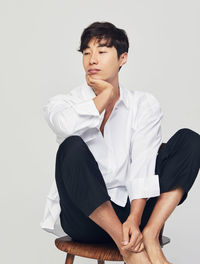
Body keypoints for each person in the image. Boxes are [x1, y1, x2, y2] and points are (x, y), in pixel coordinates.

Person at [40, 21, 200, 264]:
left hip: (132, 215)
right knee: (71, 147)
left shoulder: (143, 104)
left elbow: (144, 164)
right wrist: (104, 96)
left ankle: (151, 235)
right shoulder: (64, 103)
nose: (92, 59)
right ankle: (130, 251)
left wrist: (136, 219)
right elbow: (65, 126)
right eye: (86, 53)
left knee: (190, 140)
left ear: (122, 58)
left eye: (102, 52)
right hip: (86, 219)